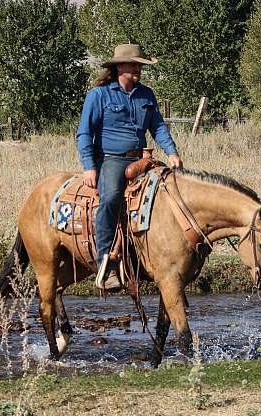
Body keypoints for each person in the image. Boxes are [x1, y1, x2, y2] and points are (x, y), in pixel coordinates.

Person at [76, 43, 182, 290]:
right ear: (119, 67)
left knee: (169, 191)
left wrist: (172, 152)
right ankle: (106, 263)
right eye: (134, 64)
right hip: (111, 158)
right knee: (111, 197)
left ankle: (161, 253)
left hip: (142, 158)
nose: (138, 69)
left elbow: (157, 127)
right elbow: (84, 133)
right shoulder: (99, 95)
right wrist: (90, 167)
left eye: (139, 65)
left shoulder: (146, 94)